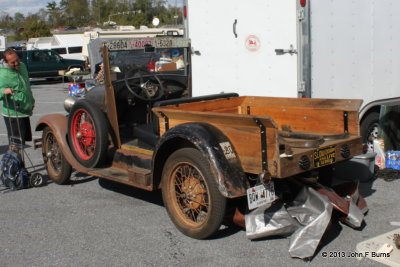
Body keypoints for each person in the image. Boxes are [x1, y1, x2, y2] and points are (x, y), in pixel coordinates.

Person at [0, 48, 35, 152]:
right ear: (6, 62)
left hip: (24, 110)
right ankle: (13, 166)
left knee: (22, 142)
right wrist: (3, 91)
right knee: (15, 144)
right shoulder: (2, 73)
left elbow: (26, 86)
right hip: (13, 113)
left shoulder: (22, 66)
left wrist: (31, 101)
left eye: (17, 60)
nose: (16, 63)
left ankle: (19, 165)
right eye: (12, 62)